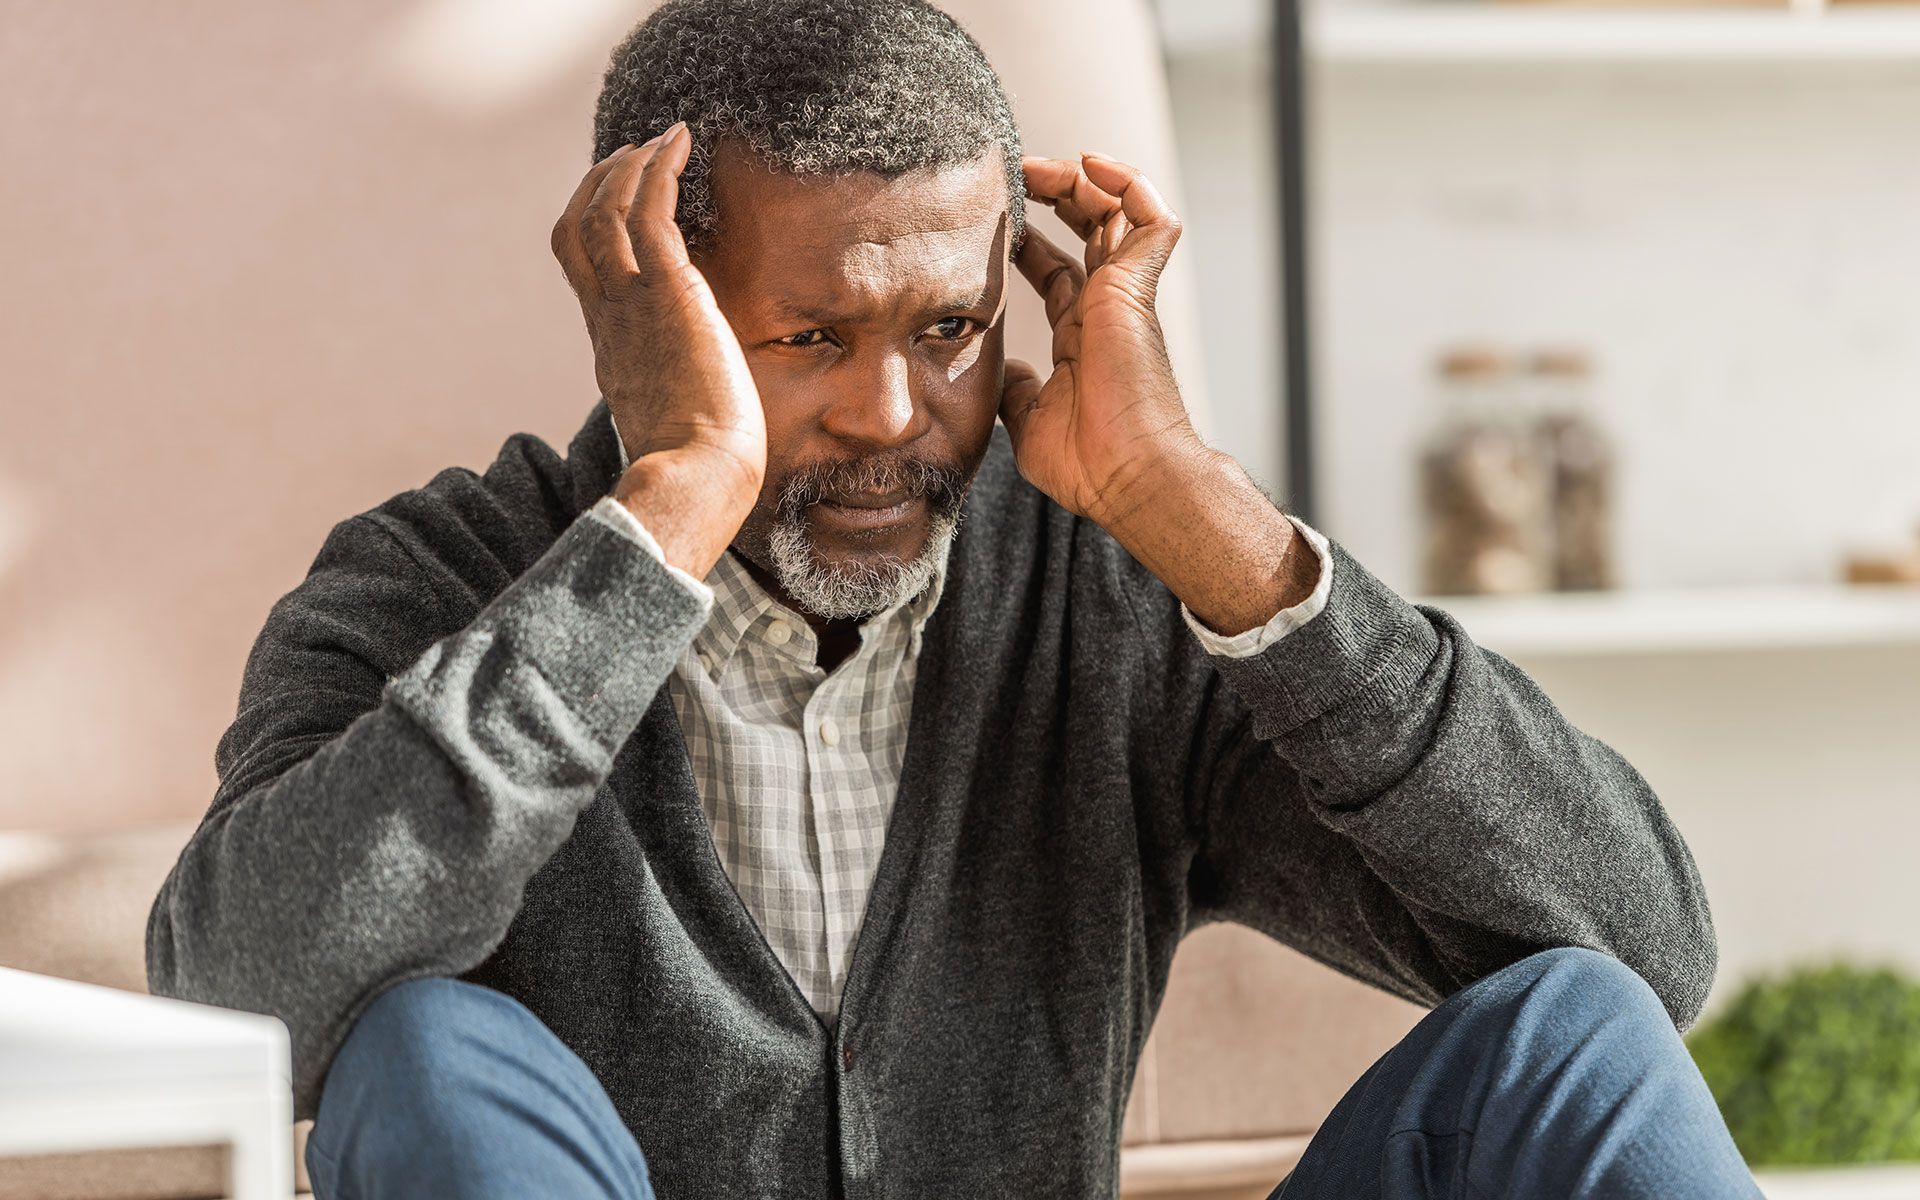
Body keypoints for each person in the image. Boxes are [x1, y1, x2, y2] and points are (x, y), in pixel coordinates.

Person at [145, 1, 1759, 1196]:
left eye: (947, 329)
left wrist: (1205, 522)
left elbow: (1640, 950)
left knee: (1573, 1036)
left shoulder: (1114, 609)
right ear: (651, 305)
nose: (895, 417)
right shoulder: (437, 581)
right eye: (814, 340)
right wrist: (659, 529)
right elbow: (236, 1001)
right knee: (424, 1052)